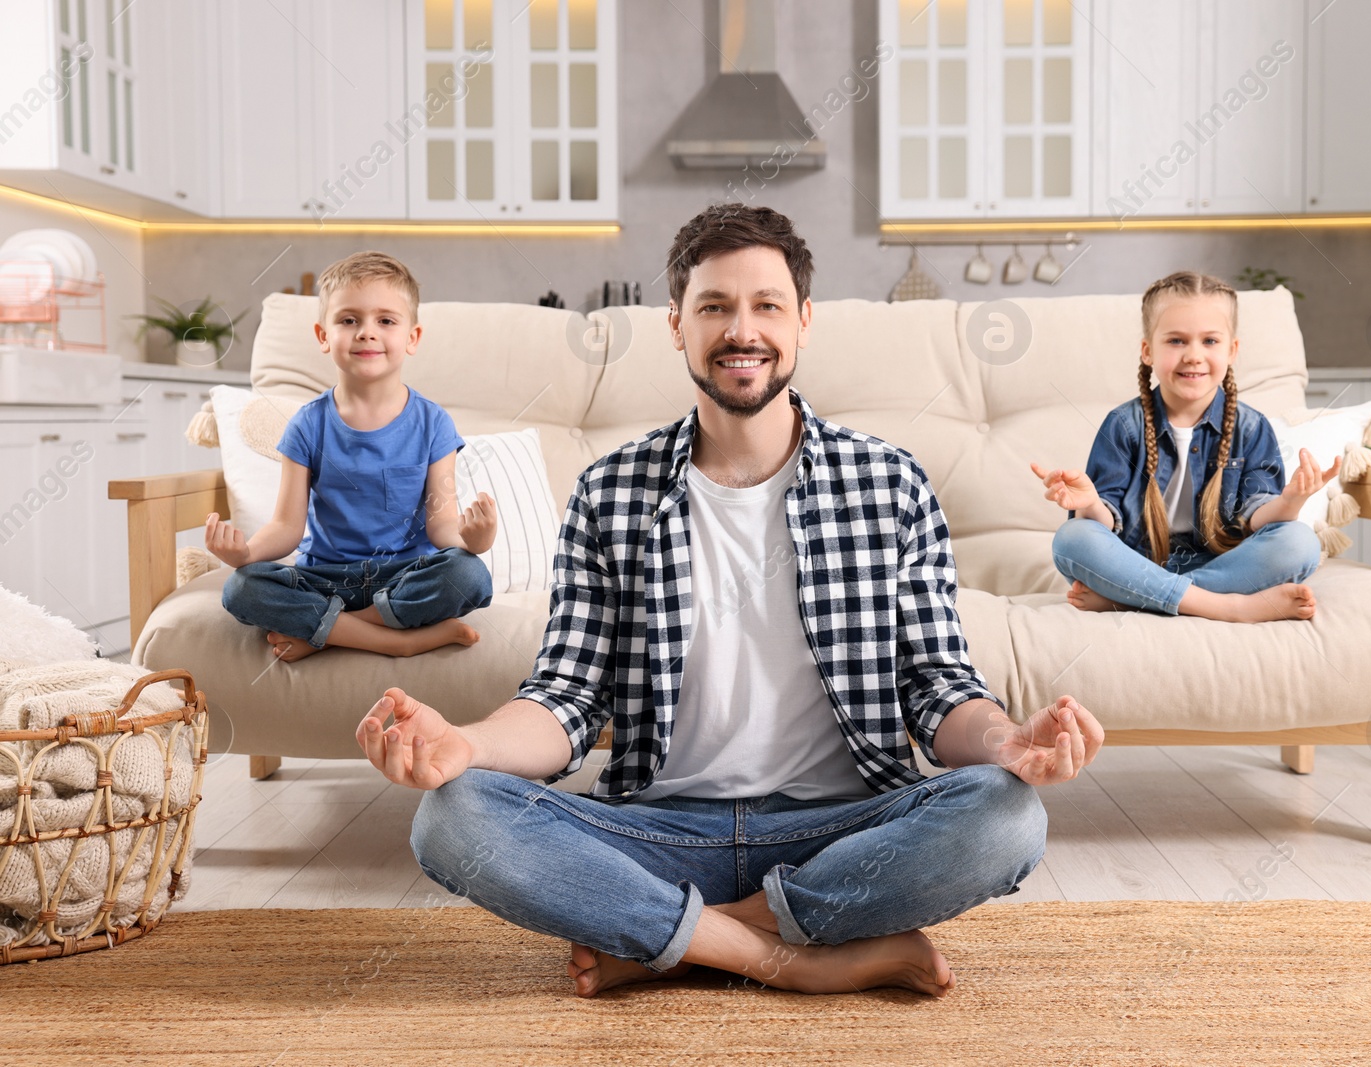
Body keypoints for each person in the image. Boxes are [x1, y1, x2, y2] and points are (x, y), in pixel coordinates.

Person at [362, 204, 1105, 999]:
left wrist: (1006, 740)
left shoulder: (889, 484)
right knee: (451, 817)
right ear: (675, 323)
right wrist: (464, 746)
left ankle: (682, 938)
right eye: (714, 306)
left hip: (843, 830)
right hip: (657, 827)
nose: (740, 329)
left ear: (804, 321)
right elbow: (567, 699)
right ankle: (795, 954)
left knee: (1008, 813)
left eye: (766, 306)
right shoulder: (610, 490)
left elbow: (938, 688)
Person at [209, 251, 497, 661]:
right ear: (323, 335)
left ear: (412, 337)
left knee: (468, 575)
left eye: (385, 320)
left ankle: (327, 631)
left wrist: (473, 540)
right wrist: (247, 554)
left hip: (404, 576)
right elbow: (286, 526)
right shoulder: (307, 425)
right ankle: (398, 641)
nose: (366, 332)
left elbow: (442, 526)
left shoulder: (434, 423)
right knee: (241, 587)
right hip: (324, 577)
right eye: (348, 320)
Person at [1034, 270, 1329, 622]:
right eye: (1176, 341)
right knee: (1073, 538)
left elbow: (1257, 516)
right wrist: (1090, 503)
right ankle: (1229, 607)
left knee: (1300, 543)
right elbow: (1104, 523)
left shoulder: (1251, 428)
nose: (1193, 355)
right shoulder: (1123, 425)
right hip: (1135, 563)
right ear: (1148, 351)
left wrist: (1290, 501)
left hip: (1224, 565)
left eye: (1209, 341)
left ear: (1232, 350)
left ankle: (1134, 598)